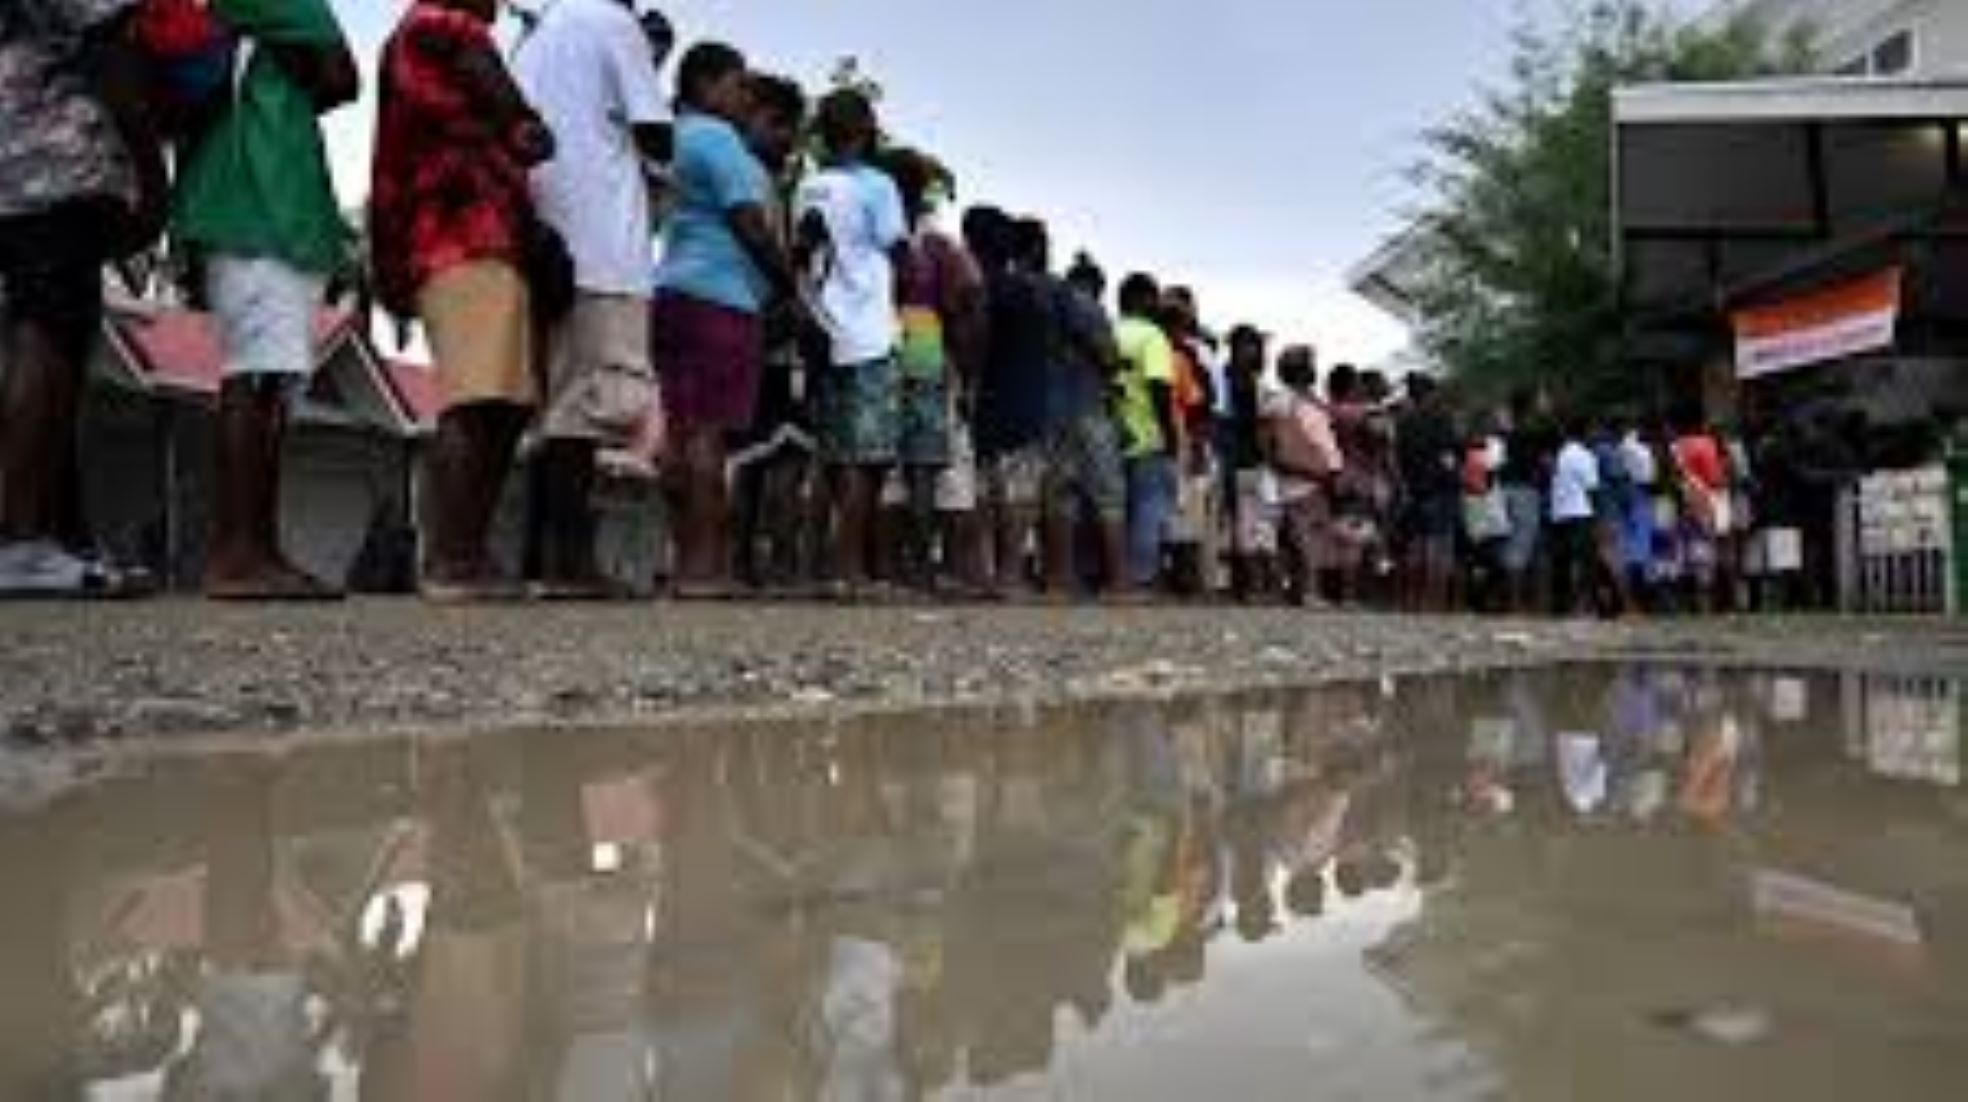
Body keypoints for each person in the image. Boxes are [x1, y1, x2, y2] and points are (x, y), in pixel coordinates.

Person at [171, 0, 358, 600]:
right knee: (254, 377)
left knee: (270, 382)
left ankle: (259, 547)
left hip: (264, 207)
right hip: (257, 204)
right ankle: (237, 552)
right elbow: (342, 76)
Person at [372, 0, 556, 601]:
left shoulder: (423, 35)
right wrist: (524, 121)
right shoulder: (439, 23)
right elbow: (511, 110)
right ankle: (451, 559)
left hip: (484, 234)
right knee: (477, 399)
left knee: (503, 403)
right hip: (459, 231)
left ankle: (466, 552)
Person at [0, 0, 168, 597]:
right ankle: (19, 540)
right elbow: (109, 50)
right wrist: (152, 175)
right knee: (48, 333)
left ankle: (49, 539)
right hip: (49, 161)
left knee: (48, 329)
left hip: (14, 155)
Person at [513, 0, 669, 598]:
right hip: (600, 247)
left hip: (548, 237)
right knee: (585, 410)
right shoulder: (610, 21)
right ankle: (570, 565)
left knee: (558, 407)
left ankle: (546, 560)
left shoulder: (537, 35)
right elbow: (655, 131)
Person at [654, 42, 791, 597]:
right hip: (721, 299)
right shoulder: (717, 138)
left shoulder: (675, 137)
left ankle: (685, 559)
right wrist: (791, 287)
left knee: (680, 433)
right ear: (706, 85)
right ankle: (705, 569)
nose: (744, 98)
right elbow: (749, 222)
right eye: (738, 86)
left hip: (674, 289)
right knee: (709, 436)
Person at [796, 88, 908, 597]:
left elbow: (804, 253)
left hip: (824, 330)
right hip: (868, 335)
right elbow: (899, 251)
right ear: (866, 132)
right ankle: (850, 570)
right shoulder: (878, 186)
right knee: (871, 457)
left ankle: (826, 567)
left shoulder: (807, 186)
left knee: (836, 455)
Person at [883, 148, 983, 592]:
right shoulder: (939, 245)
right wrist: (963, 370)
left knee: (878, 466)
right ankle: (921, 566)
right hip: (925, 343)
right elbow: (965, 304)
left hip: (872, 340)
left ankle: (882, 566)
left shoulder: (876, 234)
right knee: (922, 464)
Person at [728, 73, 813, 592]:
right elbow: (756, 250)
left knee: (770, 451)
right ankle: (755, 562)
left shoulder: (776, 184)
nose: (786, 139)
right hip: (758, 325)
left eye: (792, 129)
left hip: (771, 331)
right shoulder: (750, 178)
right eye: (777, 125)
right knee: (764, 453)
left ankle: (757, 563)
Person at [964, 208, 1054, 598]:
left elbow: (977, 345)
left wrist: (968, 382)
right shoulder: (1032, 290)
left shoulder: (984, 287)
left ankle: (986, 573)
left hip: (993, 397)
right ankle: (1011, 574)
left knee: (987, 490)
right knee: (1020, 492)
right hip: (1030, 400)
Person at [1041, 253, 1129, 599]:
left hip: (1054, 412)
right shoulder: (1089, 307)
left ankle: (1060, 582)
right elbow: (1107, 357)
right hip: (1091, 408)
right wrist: (1115, 363)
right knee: (1109, 497)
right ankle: (1120, 583)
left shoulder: (1049, 305)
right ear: (1097, 285)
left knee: (1061, 497)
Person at [1113, 273, 1179, 591]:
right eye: (1153, 299)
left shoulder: (1108, 331)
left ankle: (1110, 577)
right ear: (1141, 299)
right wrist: (1170, 434)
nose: (1157, 306)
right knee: (1147, 509)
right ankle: (1140, 579)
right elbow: (1159, 387)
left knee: (1113, 510)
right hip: (1146, 435)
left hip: (1109, 435)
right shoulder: (1153, 336)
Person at [1265, 346, 1341, 607]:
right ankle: (1308, 591)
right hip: (1302, 477)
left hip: (1314, 476)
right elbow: (1276, 446)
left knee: (1308, 537)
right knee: (1306, 538)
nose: (1313, 369)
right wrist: (1310, 470)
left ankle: (1300, 590)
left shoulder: (1306, 400)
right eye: (1309, 364)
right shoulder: (1284, 402)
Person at [1393, 373, 1460, 612]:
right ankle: (1435, 602)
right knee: (1439, 546)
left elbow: (1398, 457)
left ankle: (1411, 601)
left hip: (1414, 488)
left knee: (1415, 546)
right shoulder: (1442, 418)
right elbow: (1448, 455)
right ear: (1430, 393)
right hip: (1439, 488)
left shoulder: (1403, 421)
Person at [1220, 325, 1277, 602]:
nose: (1258, 352)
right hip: (1245, 457)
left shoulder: (1225, 376)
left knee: (1240, 522)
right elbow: (1260, 426)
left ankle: (1244, 587)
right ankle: (1255, 587)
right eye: (1253, 346)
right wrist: (1268, 459)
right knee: (1253, 524)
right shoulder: (1246, 380)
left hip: (1230, 455)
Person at [1498, 388, 1557, 612]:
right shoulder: (1532, 432)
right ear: (1530, 409)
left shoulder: (1504, 434)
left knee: (1511, 544)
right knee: (1522, 545)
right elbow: (1555, 438)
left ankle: (1514, 601)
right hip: (1526, 491)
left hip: (1503, 491)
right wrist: (1547, 412)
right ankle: (1516, 603)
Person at [1548, 415, 1601, 616]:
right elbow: (1592, 488)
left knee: (1562, 561)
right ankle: (1583, 605)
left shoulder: (1559, 454)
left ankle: (1561, 606)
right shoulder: (1585, 455)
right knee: (1584, 562)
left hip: (1559, 513)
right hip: (1580, 512)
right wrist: (1597, 518)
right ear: (1585, 433)